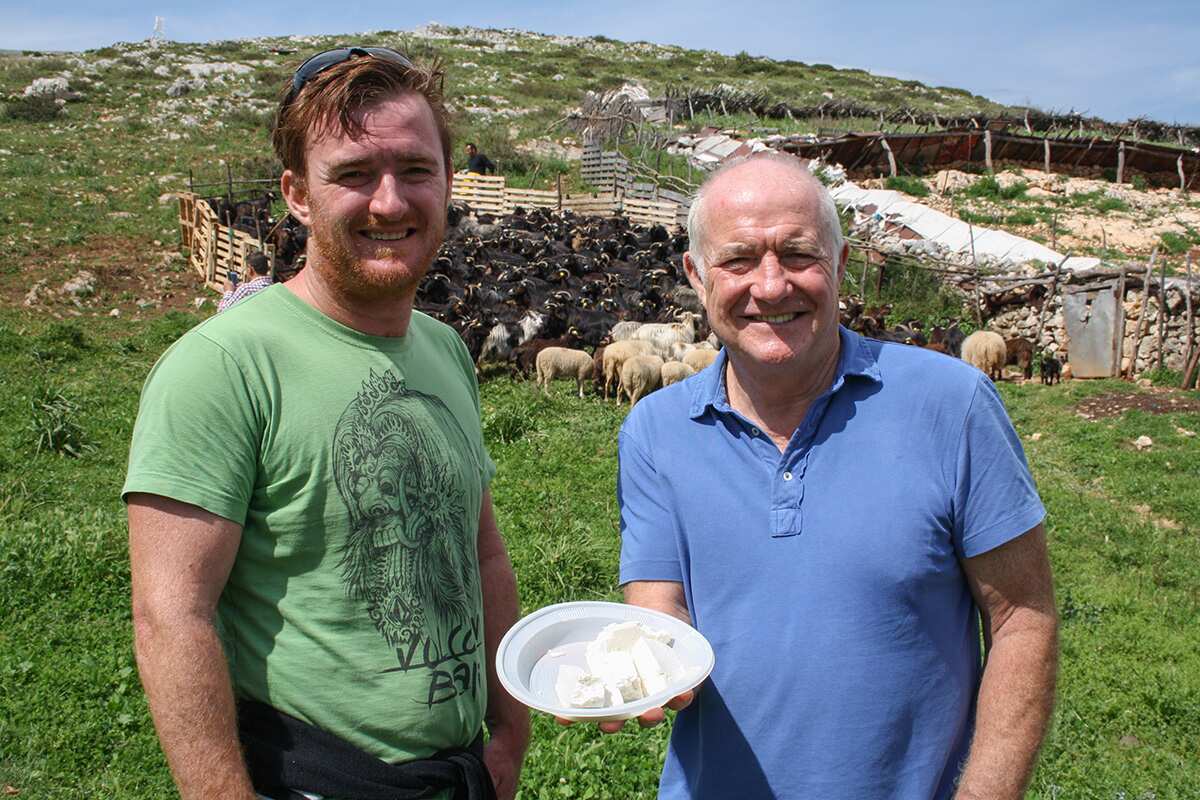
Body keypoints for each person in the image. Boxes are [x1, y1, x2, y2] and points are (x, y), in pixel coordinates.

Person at [125, 47, 529, 800]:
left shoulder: (444, 348)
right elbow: (171, 614)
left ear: (448, 180)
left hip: (461, 774)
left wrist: (510, 732)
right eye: (354, 174)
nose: (390, 202)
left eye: (416, 169)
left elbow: (481, 555)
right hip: (315, 778)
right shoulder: (223, 365)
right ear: (298, 195)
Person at [609, 153, 1058, 799]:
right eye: (738, 260)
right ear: (696, 276)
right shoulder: (654, 430)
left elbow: (1022, 618)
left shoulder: (951, 404)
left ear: (841, 265)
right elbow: (660, 610)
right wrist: (631, 671)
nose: (770, 286)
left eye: (798, 255)